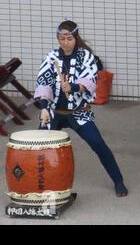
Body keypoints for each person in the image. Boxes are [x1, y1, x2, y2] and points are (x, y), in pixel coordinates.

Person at [34, 19, 128, 197]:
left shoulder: (85, 56)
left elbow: (90, 80)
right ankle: (37, 185)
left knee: (98, 144)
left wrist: (74, 87)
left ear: (75, 38)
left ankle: (118, 180)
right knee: (39, 147)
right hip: (53, 112)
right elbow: (43, 82)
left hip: (78, 112)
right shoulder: (51, 57)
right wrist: (44, 107)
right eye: (61, 38)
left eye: (69, 38)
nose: (65, 42)